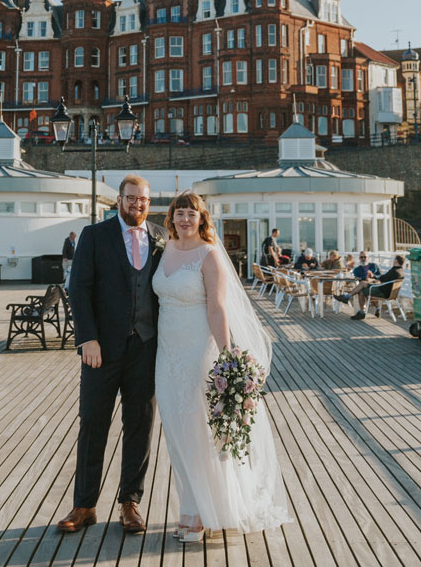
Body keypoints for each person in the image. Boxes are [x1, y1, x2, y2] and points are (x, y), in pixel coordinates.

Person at [153, 190, 290, 542]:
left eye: (191, 214)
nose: (185, 219)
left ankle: (199, 514)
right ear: (171, 218)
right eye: (179, 212)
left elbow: (217, 309)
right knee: (176, 433)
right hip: (166, 354)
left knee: (197, 432)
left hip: (198, 351)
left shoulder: (209, 256)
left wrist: (227, 356)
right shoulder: (165, 249)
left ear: (202, 219)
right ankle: (192, 506)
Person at [56, 175, 163, 537]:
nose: (138, 205)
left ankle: (130, 503)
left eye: (144, 200)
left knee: (140, 426)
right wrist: (87, 339)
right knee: (93, 424)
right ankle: (84, 505)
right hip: (100, 350)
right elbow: (79, 289)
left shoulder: (161, 237)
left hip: (146, 348)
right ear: (119, 199)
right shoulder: (95, 235)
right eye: (132, 198)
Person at [353, 255, 406, 320]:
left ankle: (361, 312)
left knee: (361, 290)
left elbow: (382, 279)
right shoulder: (400, 271)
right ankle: (375, 309)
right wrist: (374, 278)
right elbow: (385, 278)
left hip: (384, 292)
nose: (393, 260)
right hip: (391, 293)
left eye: (394, 259)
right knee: (364, 286)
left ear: (396, 261)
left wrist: (373, 276)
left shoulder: (394, 271)